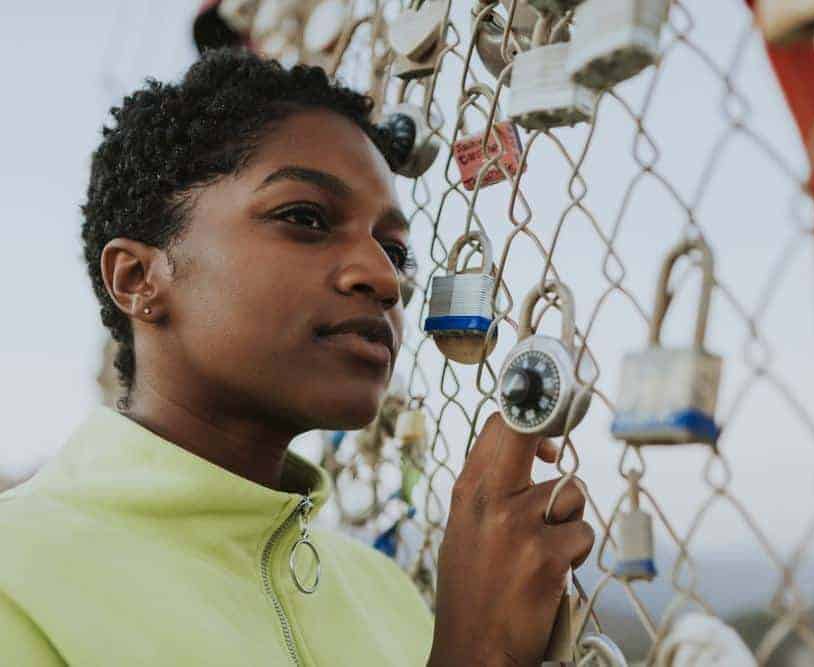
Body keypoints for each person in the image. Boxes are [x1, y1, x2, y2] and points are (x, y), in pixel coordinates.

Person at [0, 48, 594, 666]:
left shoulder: (382, 590)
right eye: (305, 217)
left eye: (395, 251)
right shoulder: (17, 577)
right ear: (138, 279)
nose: (383, 279)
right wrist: (476, 651)